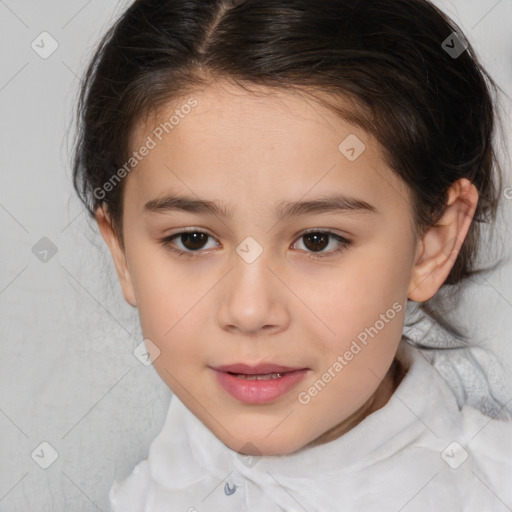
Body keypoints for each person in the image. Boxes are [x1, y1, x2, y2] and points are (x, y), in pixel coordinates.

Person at [72, 0, 512, 510]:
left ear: (432, 244)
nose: (250, 311)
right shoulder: (146, 489)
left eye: (318, 240)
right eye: (193, 239)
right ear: (122, 251)